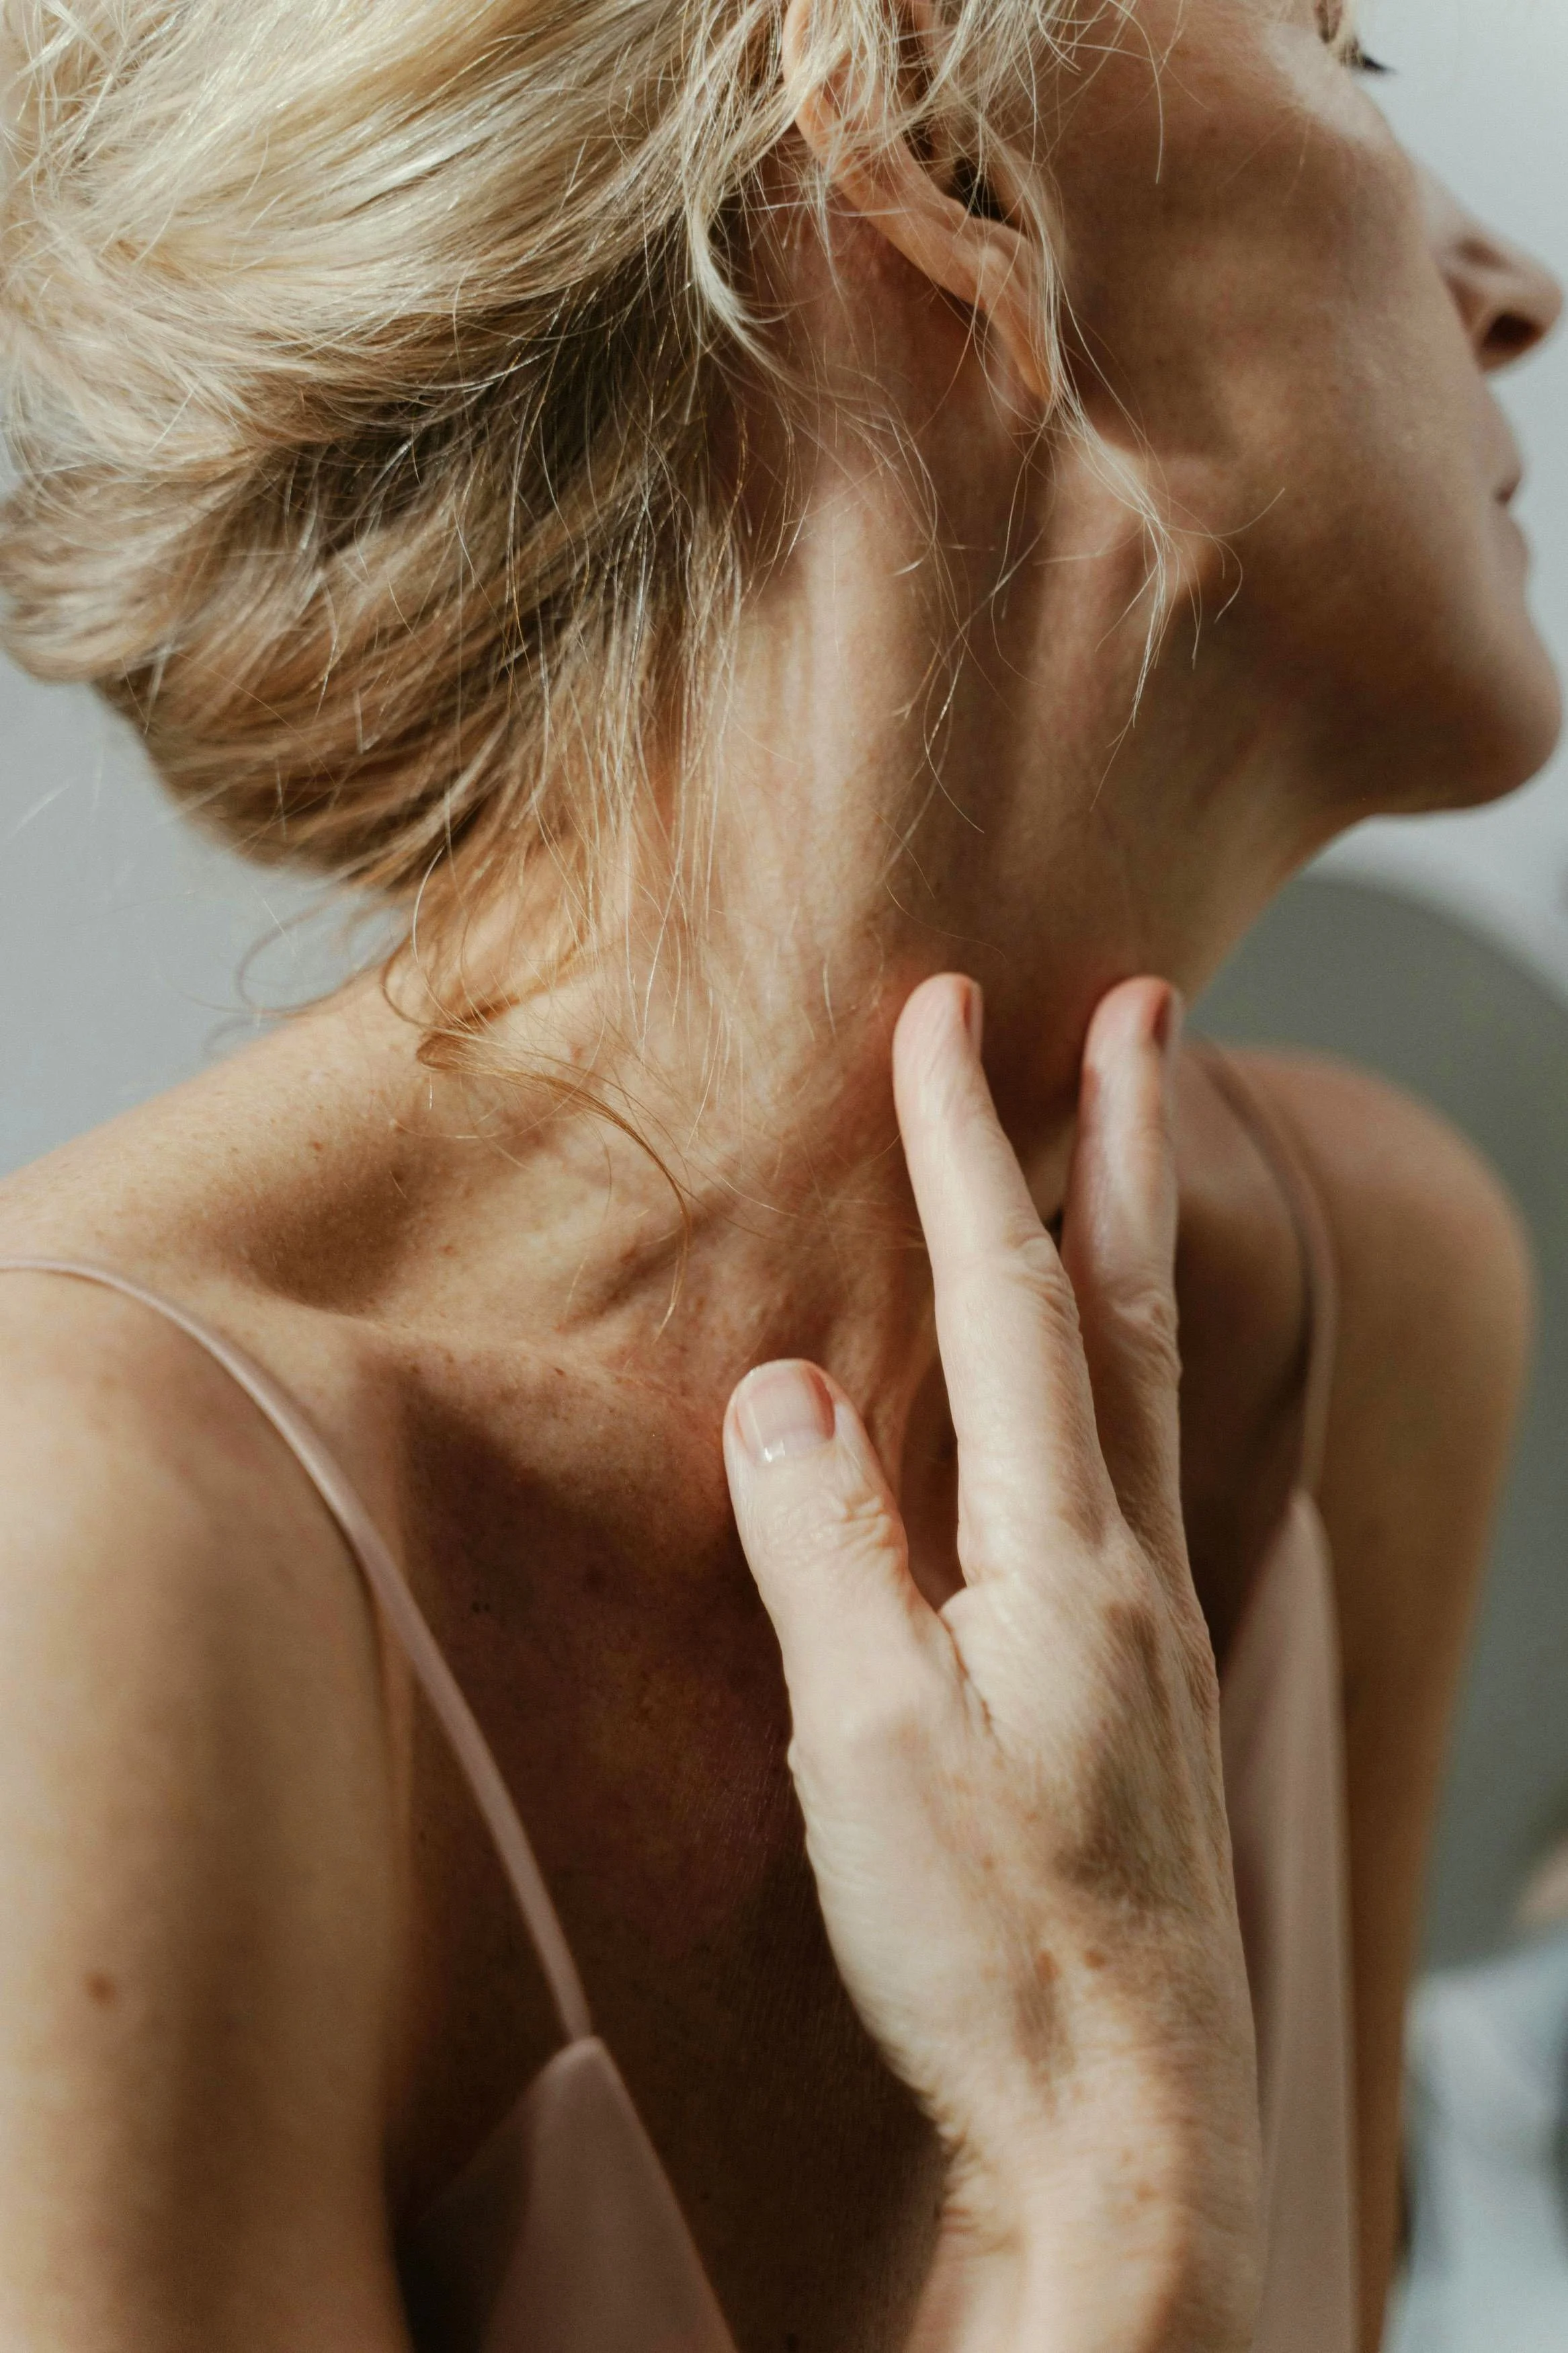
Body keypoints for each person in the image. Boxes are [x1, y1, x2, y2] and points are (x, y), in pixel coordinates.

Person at [0, 0, 1555, 2344]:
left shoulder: (1360, 1295)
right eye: (1349, 54)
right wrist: (1102, 2171)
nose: (1514, 277)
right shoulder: (77, 1553)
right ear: (934, 155)